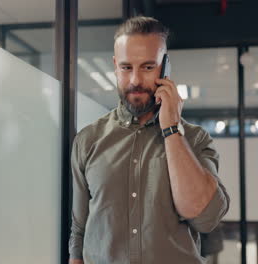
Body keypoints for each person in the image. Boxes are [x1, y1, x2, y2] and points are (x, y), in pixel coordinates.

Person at [69, 16, 230, 264]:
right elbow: (79, 229)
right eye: (126, 67)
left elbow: (206, 218)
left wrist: (171, 130)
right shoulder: (89, 140)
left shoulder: (195, 139)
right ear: (115, 66)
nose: (134, 80)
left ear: (165, 68)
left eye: (147, 67)